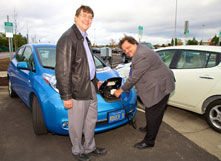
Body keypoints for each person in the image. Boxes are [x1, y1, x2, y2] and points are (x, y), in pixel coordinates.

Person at [55, 5, 107, 161]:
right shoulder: (68, 38)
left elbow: (87, 65)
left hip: (89, 86)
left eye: (90, 17)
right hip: (76, 89)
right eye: (84, 15)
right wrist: (66, 95)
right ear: (75, 17)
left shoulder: (84, 38)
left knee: (91, 119)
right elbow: (62, 70)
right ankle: (77, 151)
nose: (87, 19)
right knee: (76, 123)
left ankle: (89, 147)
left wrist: (96, 81)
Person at [114, 36, 175, 149]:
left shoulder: (142, 55)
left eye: (128, 47)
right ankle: (151, 127)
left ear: (135, 43)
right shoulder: (140, 51)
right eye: (124, 50)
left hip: (160, 86)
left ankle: (149, 141)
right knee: (153, 111)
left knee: (153, 113)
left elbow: (134, 77)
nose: (127, 51)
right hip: (158, 83)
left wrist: (121, 90)